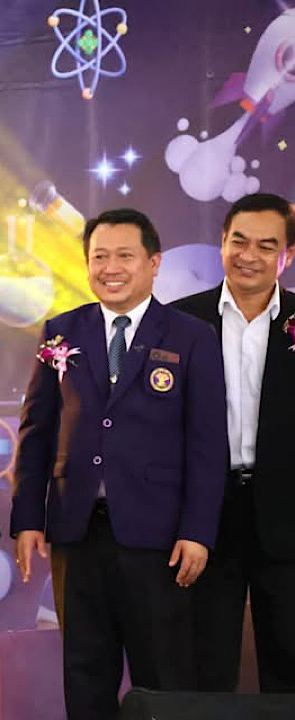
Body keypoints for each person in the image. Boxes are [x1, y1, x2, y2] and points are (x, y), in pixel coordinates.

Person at [11, 208, 227, 719]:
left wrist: (197, 532)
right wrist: (28, 519)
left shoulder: (191, 335)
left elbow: (207, 444)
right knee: (85, 674)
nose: (111, 268)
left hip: (159, 539)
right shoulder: (62, 331)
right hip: (77, 532)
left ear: (154, 263)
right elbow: (37, 432)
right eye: (99, 257)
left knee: (163, 677)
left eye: (124, 256)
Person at [171, 193, 295, 692]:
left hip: (286, 514)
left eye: (267, 246)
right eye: (239, 241)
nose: (249, 256)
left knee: (289, 660)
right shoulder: (179, 321)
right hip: (206, 514)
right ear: (221, 242)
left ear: (287, 255)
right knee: (206, 664)